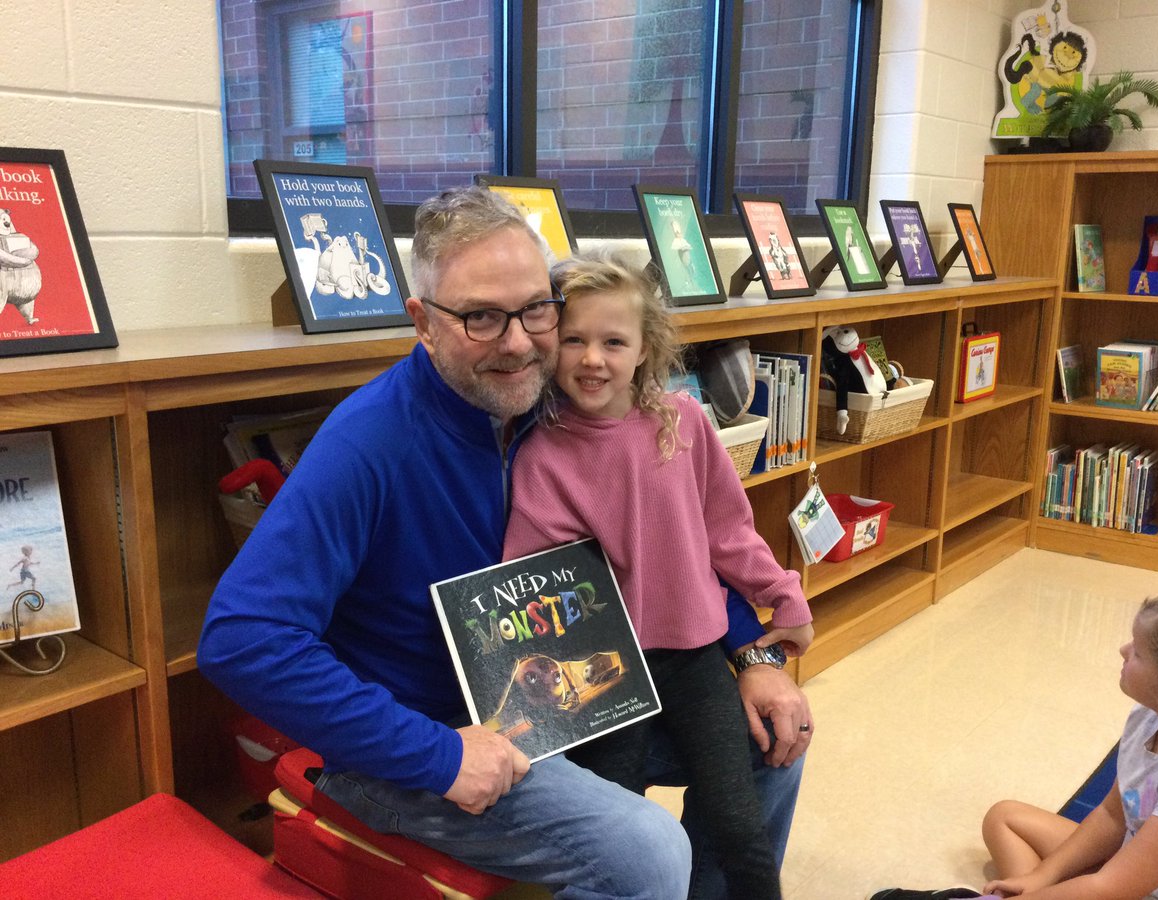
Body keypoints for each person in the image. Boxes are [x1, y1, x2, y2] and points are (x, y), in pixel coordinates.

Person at [198, 185, 811, 899]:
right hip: (420, 744)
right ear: (423, 323)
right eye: (481, 317)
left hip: (553, 701)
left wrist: (754, 653)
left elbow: (669, 540)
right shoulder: (368, 444)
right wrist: (433, 754)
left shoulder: (548, 407)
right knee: (645, 849)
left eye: (534, 309)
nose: (519, 341)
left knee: (774, 741)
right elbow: (241, 638)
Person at [503, 251, 814, 899]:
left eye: (614, 341)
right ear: (550, 348)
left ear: (645, 348)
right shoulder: (541, 456)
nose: (593, 359)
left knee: (738, 823)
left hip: (693, 656)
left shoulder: (684, 423)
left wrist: (782, 597)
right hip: (603, 675)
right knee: (623, 834)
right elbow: (533, 582)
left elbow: (728, 531)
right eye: (574, 340)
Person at [870, 592, 1158, 900]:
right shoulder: (1148, 716)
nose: (1123, 650)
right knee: (1005, 818)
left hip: (1140, 888)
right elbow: (1113, 815)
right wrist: (1043, 875)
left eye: (1138, 653)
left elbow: (1112, 887)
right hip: (1132, 865)